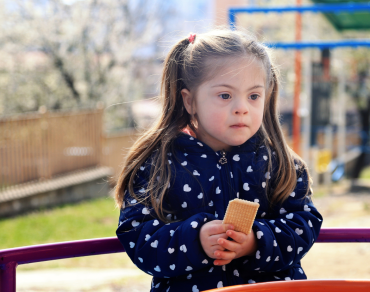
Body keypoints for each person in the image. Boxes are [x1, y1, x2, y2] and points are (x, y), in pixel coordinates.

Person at [113, 30, 322, 291]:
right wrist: (195, 239)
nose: (242, 107)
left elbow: (303, 224)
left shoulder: (280, 163)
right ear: (190, 101)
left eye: (254, 96)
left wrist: (257, 241)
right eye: (225, 95)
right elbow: (139, 236)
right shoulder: (159, 164)